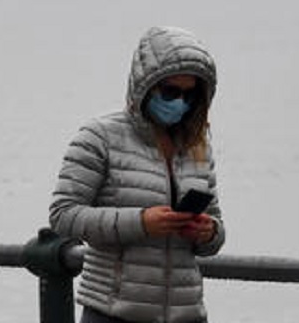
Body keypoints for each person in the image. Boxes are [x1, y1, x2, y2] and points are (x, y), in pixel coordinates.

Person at [50, 25, 225, 323]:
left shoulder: (197, 146)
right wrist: (142, 222)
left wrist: (208, 232)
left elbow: (215, 232)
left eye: (191, 94)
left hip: (186, 313)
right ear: (145, 85)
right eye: (170, 91)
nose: (180, 102)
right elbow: (63, 216)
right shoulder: (100, 136)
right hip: (113, 312)